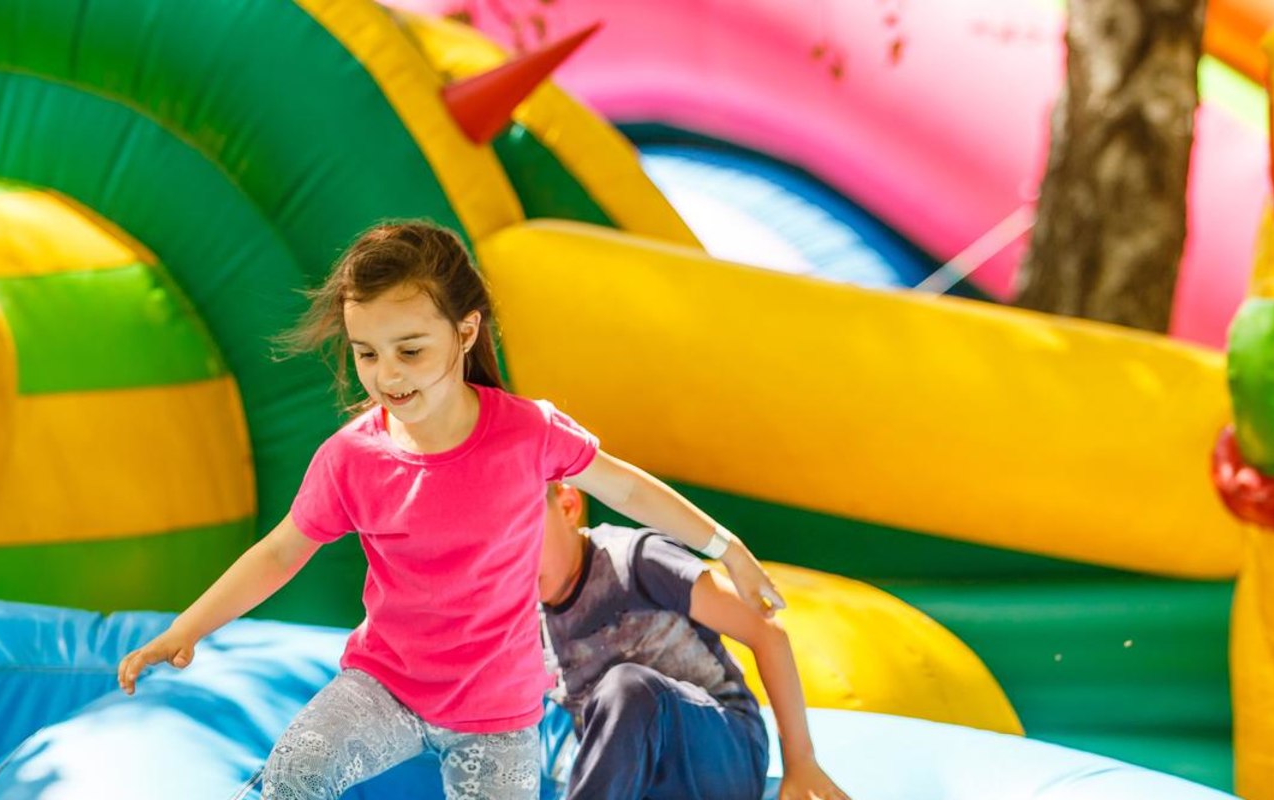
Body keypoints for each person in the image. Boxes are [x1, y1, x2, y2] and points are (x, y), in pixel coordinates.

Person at [116, 220, 784, 799]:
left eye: (410, 350)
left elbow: (631, 491)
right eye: (367, 353)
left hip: (498, 715)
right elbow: (281, 551)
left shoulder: (527, 434)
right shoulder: (355, 456)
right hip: (387, 687)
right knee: (295, 771)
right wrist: (188, 628)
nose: (388, 375)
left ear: (466, 331)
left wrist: (730, 550)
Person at [538, 482, 850, 800]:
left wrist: (800, 763)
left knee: (626, 687)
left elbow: (766, 631)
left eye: (527, 538)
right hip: (645, 782)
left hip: (723, 757)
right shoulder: (528, 614)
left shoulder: (634, 561)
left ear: (567, 506)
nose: (517, 562)